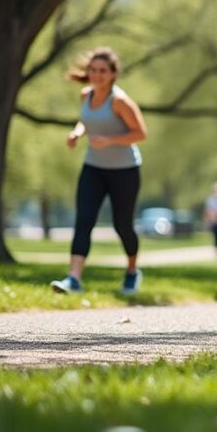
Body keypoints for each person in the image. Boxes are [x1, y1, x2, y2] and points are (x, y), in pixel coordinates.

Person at [51, 47, 147, 295]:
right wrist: (77, 133)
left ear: (113, 74)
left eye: (102, 70)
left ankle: (132, 271)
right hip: (93, 167)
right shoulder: (86, 95)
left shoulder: (120, 101)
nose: (97, 75)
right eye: (93, 70)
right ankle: (73, 279)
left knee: (122, 225)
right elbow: (86, 120)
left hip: (124, 170)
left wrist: (110, 140)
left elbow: (141, 133)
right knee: (84, 220)